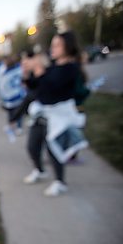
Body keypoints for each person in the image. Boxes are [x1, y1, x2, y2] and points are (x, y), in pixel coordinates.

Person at [20, 31, 88, 196]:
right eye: (52, 45)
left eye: (57, 45)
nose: (53, 48)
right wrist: (27, 74)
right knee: (32, 146)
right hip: (43, 113)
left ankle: (60, 182)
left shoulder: (71, 69)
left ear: (67, 46)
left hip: (59, 115)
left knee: (54, 150)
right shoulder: (52, 66)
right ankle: (40, 170)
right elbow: (37, 86)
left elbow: (52, 89)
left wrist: (38, 70)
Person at [0, 54, 26, 137]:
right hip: (11, 96)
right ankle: (14, 126)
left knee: (16, 112)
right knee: (13, 112)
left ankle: (17, 127)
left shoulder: (14, 69)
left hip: (15, 95)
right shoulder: (3, 70)